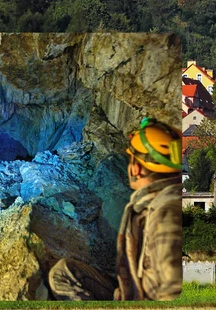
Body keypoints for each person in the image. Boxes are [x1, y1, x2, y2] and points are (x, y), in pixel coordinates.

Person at [48, 118, 183, 300]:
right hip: (131, 290)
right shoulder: (150, 203)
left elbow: (170, 291)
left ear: (136, 168)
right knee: (63, 272)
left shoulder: (165, 213)